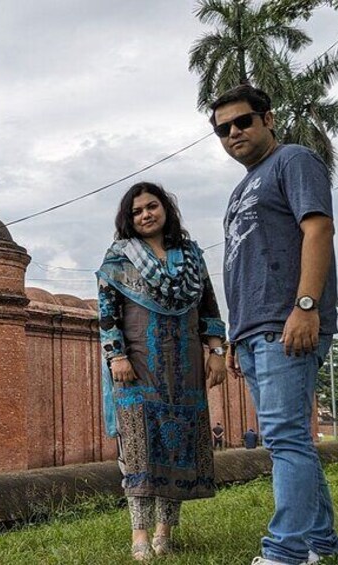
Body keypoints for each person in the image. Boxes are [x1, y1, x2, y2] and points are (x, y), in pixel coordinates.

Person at [210, 84, 338, 565]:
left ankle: (285, 551)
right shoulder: (241, 187)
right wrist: (233, 334)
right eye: (223, 129)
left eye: (242, 121)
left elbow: (319, 228)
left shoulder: (294, 160)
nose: (233, 133)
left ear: (267, 118)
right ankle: (321, 545)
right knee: (290, 441)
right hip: (253, 330)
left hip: (287, 322)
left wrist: (306, 305)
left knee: (285, 438)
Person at [97, 181, 227, 561]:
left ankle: (164, 533)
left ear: (166, 209)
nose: (145, 215)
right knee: (138, 448)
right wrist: (116, 356)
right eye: (136, 211)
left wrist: (216, 351)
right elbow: (107, 314)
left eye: (152, 206)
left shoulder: (190, 256)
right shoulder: (119, 258)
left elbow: (208, 304)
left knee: (179, 445)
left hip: (184, 366)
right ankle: (139, 535)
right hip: (136, 364)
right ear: (128, 218)